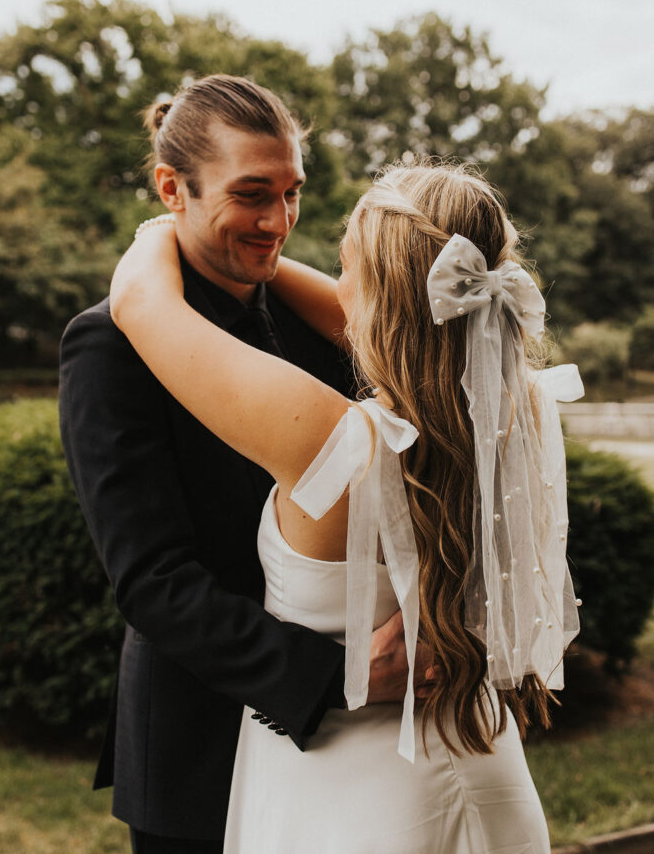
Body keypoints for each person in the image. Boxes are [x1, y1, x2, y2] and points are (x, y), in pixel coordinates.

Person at [110, 159, 584, 853]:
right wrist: (276, 255)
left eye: (344, 266)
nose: (336, 286)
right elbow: (410, 322)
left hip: (353, 797)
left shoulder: (332, 441)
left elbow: (137, 302)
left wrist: (171, 220)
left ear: (376, 292)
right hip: (484, 760)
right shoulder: (520, 411)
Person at [59, 75, 427, 854]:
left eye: (291, 193)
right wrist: (334, 677)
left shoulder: (315, 321)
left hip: (354, 758)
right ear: (172, 189)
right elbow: (152, 580)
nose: (278, 221)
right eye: (252, 195)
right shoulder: (108, 345)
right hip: (203, 746)